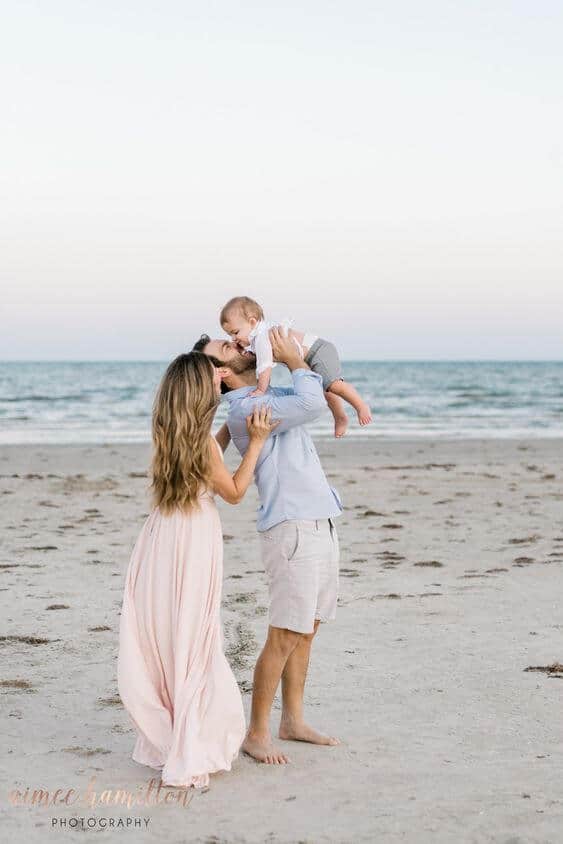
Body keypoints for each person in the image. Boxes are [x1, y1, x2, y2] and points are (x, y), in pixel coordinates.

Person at [117, 351, 279, 788]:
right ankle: (193, 732)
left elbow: (207, 456)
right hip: (193, 538)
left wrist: (228, 427)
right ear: (197, 390)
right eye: (214, 379)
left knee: (172, 628)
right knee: (194, 629)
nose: (220, 382)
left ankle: (169, 724)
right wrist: (258, 440)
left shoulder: (172, 431)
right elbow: (233, 491)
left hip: (163, 535)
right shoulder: (201, 443)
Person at [193, 327, 343, 765]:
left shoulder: (264, 393)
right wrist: (295, 360)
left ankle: (292, 721)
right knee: (285, 632)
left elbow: (317, 382)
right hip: (292, 525)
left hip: (319, 516)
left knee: (308, 626)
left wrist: (293, 353)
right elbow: (313, 401)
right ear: (221, 372)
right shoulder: (250, 408)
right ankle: (257, 732)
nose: (240, 345)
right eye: (228, 347)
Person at [219, 294, 372, 437]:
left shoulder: (261, 337)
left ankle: (360, 406)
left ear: (252, 322)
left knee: (335, 385)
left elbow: (264, 366)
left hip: (317, 350)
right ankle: (340, 417)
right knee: (325, 389)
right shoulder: (256, 338)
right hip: (310, 355)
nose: (233, 338)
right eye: (229, 335)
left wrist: (261, 389)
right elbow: (257, 357)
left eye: (235, 332)